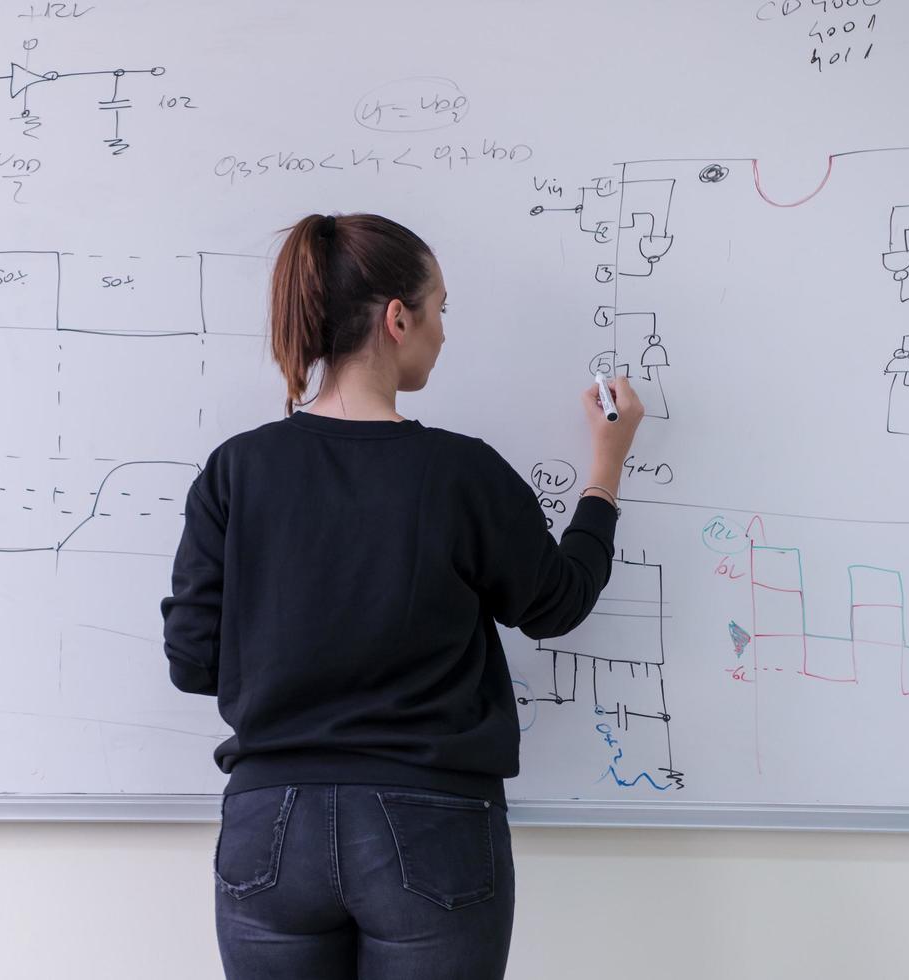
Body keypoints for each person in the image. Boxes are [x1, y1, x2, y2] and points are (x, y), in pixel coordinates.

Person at [161, 212, 645, 979]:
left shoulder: (235, 470)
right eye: (441, 310)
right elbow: (557, 603)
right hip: (432, 824)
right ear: (397, 318)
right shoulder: (460, 473)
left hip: (268, 827)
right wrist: (605, 470)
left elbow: (192, 661)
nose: (444, 333)